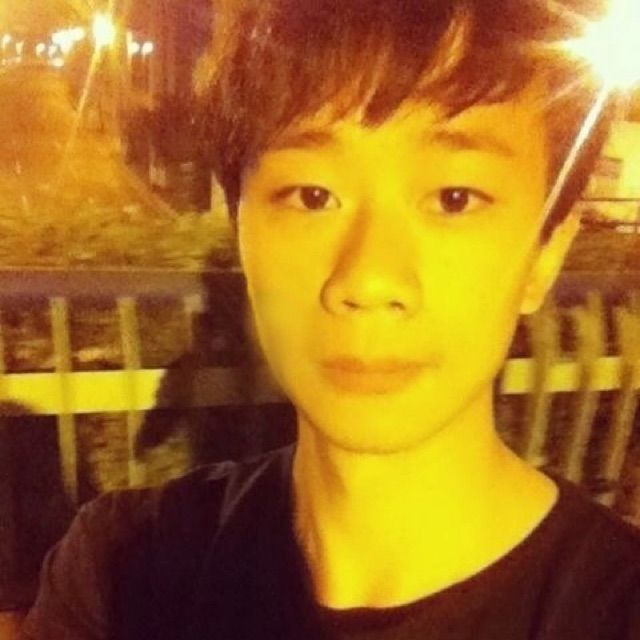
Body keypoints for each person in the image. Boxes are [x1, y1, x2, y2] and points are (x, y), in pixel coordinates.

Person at [20, 1, 640, 638]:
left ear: (545, 252)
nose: (367, 279)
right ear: (241, 230)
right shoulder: (121, 572)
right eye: (312, 196)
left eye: (455, 199)